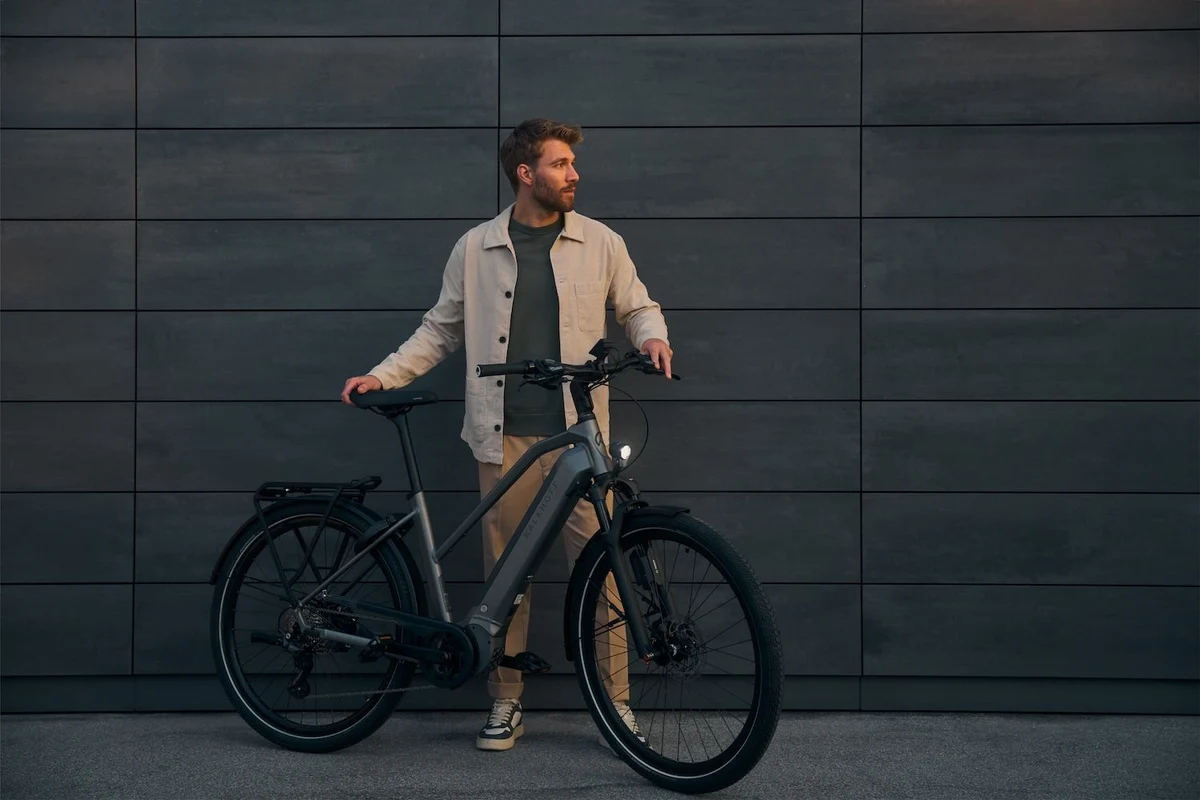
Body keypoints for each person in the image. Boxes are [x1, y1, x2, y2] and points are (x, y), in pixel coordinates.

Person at [340, 118, 673, 752]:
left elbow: (636, 305)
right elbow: (440, 329)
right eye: (560, 164)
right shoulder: (477, 247)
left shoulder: (601, 241)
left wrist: (652, 336)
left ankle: (617, 705)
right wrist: (383, 375)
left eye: (572, 163)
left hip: (580, 442)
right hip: (504, 442)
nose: (574, 174)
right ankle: (505, 701)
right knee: (506, 581)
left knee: (604, 576)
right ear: (526, 173)